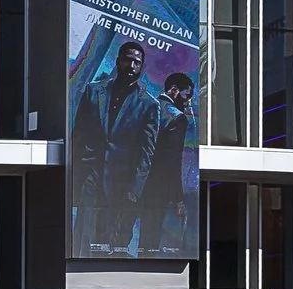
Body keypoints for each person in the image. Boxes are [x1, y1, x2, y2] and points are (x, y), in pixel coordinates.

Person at [69, 39, 161, 255]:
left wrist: (135, 189)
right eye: (128, 60)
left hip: (122, 181)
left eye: (137, 62)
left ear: (141, 66)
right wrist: (76, 172)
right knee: (82, 235)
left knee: (110, 239)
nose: (132, 66)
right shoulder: (94, 91)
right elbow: (78, 135)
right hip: (90, 173)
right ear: (119, 61)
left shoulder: (149, 104)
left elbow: (146, 153)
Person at [139, 70, 197, 255]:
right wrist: (178, 197)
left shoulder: (146, 105)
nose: (188, 102)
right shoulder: (177, 118)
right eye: (187, 96)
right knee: (151, 238)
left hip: (132, 181)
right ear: (174, 90)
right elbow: (172, 160)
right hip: (157, 186)